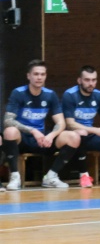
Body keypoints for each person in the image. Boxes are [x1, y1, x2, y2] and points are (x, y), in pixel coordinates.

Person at [3, 59, 81, 190]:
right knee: (9, 131)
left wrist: (51, 135)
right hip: (23, 138)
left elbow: (61, 122)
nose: (39, 77)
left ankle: (51, 176)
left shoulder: (50, 95)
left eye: (42, 74)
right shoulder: (18, 93)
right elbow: (7, 120)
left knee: (74, 137)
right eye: (36, 74)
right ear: (28, 76)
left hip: (42, 140)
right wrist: (32, 130)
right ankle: (15, 177)